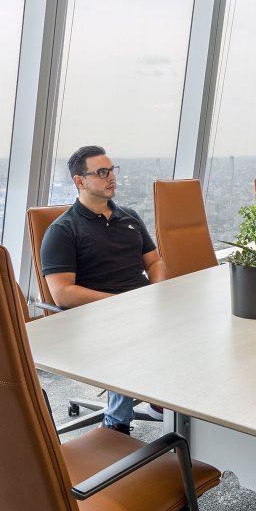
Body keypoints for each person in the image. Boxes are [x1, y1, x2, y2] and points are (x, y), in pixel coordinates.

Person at [40, 145, 168, 435]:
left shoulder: (130, 217)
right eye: (101, 172)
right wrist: (119, 304)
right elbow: (63, 293)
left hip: (142, 307)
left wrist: (159, 292)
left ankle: (165, 403)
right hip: (95, 319)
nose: (111, 177)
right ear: (79, 181)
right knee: (129, 336)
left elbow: (154, 261)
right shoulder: (63, 231)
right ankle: (116, 421)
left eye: (112, 170)